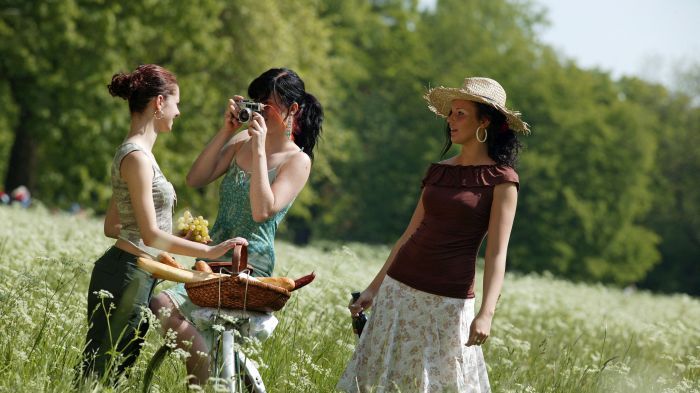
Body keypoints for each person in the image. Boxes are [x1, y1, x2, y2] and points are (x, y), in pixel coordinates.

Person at [337, 77, 530, 393]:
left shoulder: (502, 180)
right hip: (399, 293)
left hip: (448, 304)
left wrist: (486, 314)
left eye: (460, 114)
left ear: (485, 121)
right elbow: (408, 235)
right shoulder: (439, 170)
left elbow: (497, 253)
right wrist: (374, 288)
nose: (450, 121)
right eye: (450, 113)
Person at [149, 67, 324, 385]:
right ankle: (204, 373)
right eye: (256, 101)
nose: (260, 110)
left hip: (248, 265)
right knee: (163, 306)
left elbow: (262, 211)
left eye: (267, 103)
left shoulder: (297, 161)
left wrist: (258, 149)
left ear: (292, 109)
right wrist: (227, 130)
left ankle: (199, 381)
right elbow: (196, 178)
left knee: (162, 302)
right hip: (210, 256)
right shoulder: (242, 140)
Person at [80, 64, 247, 383]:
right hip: (127, 274)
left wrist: (171, 236)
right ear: (159, 103)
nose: (178, 112)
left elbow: (114, 225)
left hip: (128, 272)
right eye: (176, 103)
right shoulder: (138, 159)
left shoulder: (134, 154)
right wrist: (210, 251)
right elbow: (148, 234)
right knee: (105, 376)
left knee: (106, 373)